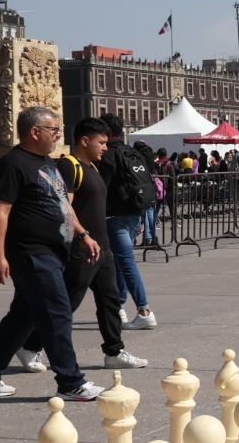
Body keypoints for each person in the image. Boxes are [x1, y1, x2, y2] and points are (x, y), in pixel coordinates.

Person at [0, 107, 103, 402]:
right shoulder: (13, 164)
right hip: (31, 252)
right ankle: (70, 381)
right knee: (57, 313)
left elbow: (62, 205)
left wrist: (82, 233)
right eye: (53, 129)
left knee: (23, 316)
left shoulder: (47, 162)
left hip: (55, 251)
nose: (58, 134)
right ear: (34, 131)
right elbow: (0, 210)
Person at [18, 117, 148, 374]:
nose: (104, 147)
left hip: (102, 247)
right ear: (84, 140)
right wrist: (82, 236)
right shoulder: (69, 166)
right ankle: (31, 346)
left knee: (110, 301)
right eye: (101, 142)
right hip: (81, 247)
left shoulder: (93, 167)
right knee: (67, 303)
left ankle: (114, 351)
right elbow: (63, 207)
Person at [98, 114, 158, 330]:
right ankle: (119, 306)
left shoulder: (106, 156)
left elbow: (100, 188)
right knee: (120, 263)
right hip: (134, 213)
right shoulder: (133, 152)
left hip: (115, 216)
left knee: (126, 263)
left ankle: (144, 311)